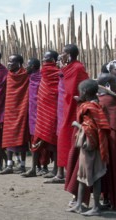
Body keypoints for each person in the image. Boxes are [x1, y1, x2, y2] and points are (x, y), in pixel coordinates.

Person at [66, 79, 110, 216]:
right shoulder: (89, 105)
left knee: (95, 176)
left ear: (85, 92)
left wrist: (77, 125)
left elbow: (92, 129)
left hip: (93, 148)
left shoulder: (92, 108)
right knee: (81, 175)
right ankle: (79, 204)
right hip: (86, 147)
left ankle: (96, 207)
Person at [47, 44, 89, 184]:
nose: (61, 55)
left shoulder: (78, 68)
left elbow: (78, 89)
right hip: (63, 107)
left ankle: (68, 173)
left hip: (73, 108)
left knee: (69, 137)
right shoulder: (67, 67)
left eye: (64, 52)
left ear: (69, 54)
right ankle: (60, 173)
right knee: (62, 137)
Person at [23, 51, 59, 178]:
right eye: (43, 59)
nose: (44, 61)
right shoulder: (41, 75)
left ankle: (55, 170)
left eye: (47, 59)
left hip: (52, 112)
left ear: (55, 60)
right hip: (38, 113)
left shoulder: (58, 75)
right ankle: (33, 168)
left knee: (53, 141)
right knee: (36, 140)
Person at [0, 54, 30, 175]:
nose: (9, 64)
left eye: (12, 62)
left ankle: (22, 165)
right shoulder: (9, 75)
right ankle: (9, 165)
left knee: (21, 138)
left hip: (22, 109)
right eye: (8, 61)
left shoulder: (25, 75)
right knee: (8, 136)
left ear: (19, 63)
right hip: (10, 109)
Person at [97, 73, 116, 210]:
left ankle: (107, 198)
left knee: (107, 170)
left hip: (109, 140)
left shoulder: (102, 100)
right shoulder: (110, 98)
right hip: (111, 138)